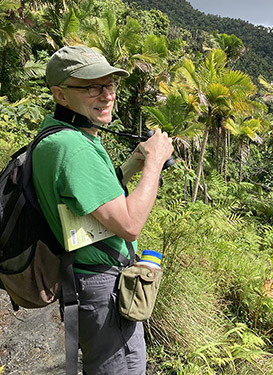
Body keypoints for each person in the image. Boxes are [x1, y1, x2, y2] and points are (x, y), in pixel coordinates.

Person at [32, 45, 173, 374]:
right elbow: (130, 223)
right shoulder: (73, 147)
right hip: (103, 288)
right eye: (92, 86)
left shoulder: (57, 134)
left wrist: (133, 164)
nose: (107, 95)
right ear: (61, 94)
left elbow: (90, 202)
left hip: (83, 281)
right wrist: (154, 162)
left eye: (110, 85)